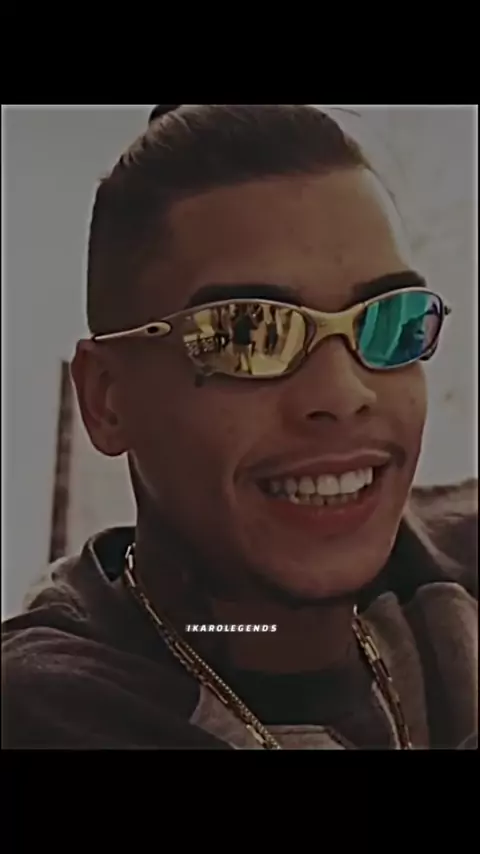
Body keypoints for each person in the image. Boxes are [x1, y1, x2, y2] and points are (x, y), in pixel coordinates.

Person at [2, 105, 477, 750]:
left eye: (388, 321)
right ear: (108, 399)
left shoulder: (447, 574)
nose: (345, 394)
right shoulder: (51, 710)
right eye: (247, 334)